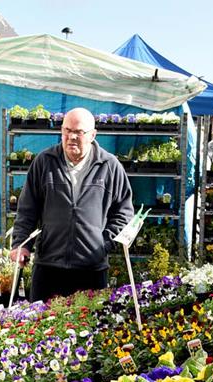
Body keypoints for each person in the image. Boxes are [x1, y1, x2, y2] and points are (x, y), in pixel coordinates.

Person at [8, 107, 133, 302]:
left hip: (91, 269)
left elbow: (123, 213)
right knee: (40, 328)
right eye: (67, 130)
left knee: (89, 329)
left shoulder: (109, 166)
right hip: (48, 267)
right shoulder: (44, 162)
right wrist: (21, 244)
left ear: (92, 135)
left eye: (78, 132)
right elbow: (27, 210)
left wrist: (103, 244)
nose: (71, 137)